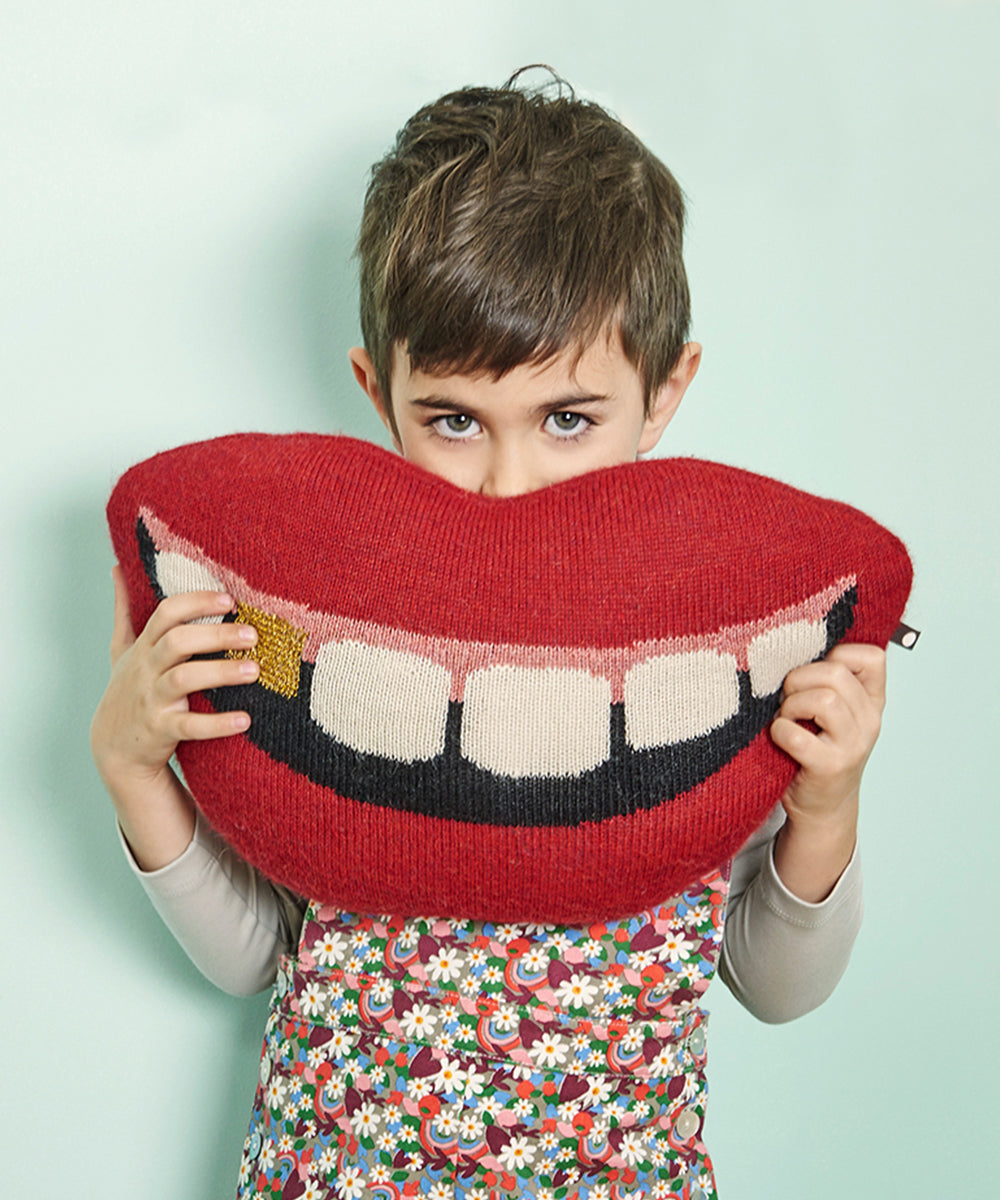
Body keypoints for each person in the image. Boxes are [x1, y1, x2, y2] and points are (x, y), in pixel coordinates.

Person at [91, 70, 885, 1200]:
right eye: (453, 422)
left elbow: (776, 987)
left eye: (569, 421)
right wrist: (133, 766)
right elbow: (258, 957)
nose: (510, 482)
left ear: (665, 392)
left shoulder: (720, 655)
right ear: (377, 392)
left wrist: (827, 801)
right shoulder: (314, 629)